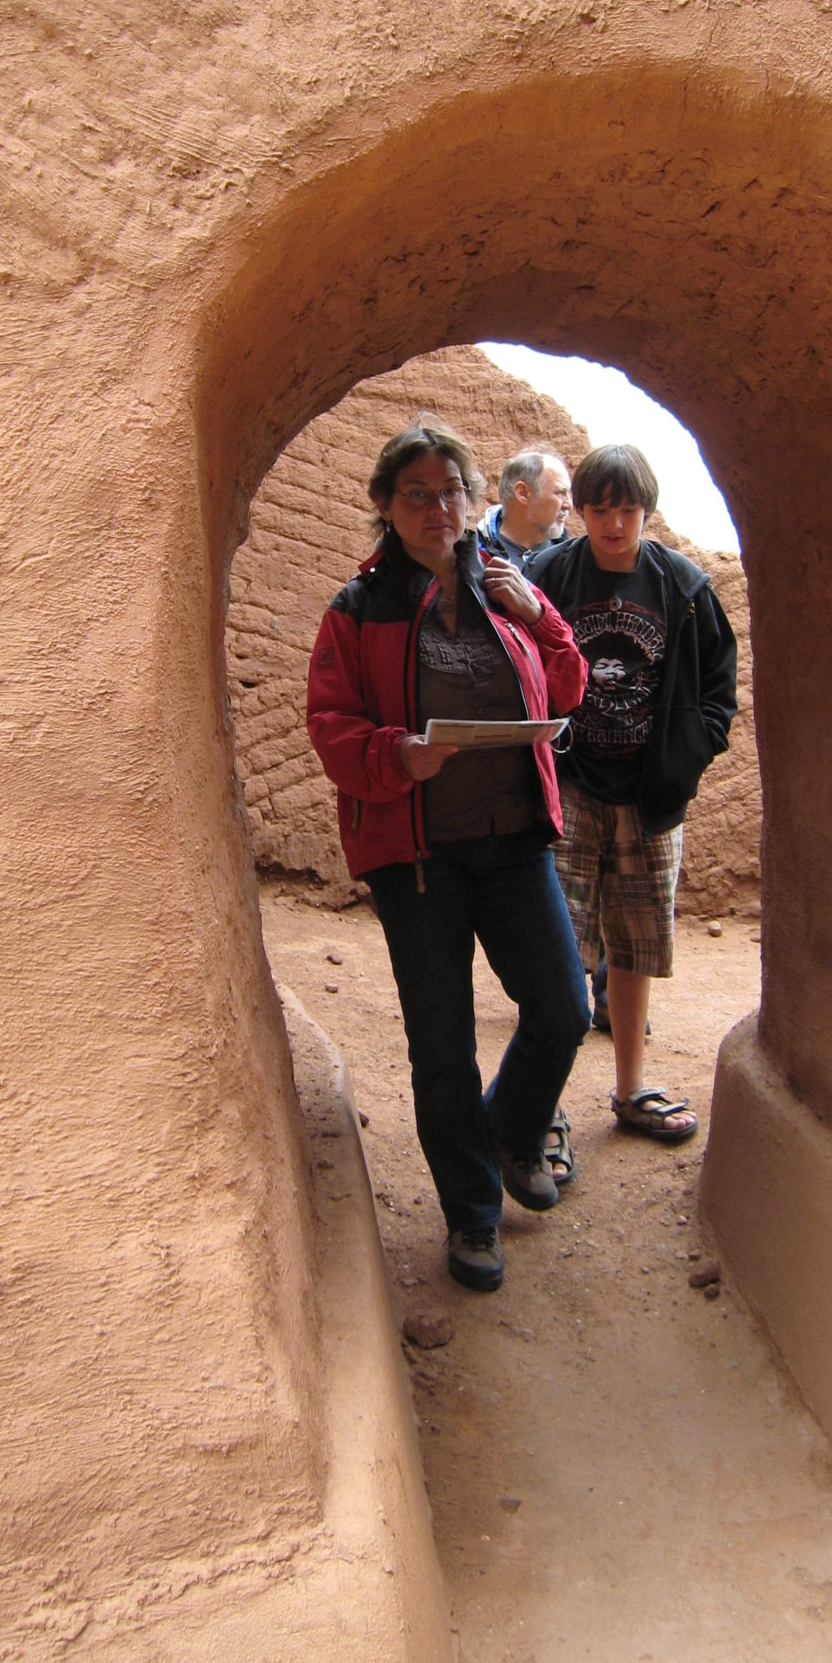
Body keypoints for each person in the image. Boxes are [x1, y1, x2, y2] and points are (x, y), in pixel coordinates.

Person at [306, 419, 590, 1293]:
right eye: (418, 493)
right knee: (442, 1044)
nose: (439, 507)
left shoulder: (508, 587)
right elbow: (331, 725)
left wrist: (539, 617)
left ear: (475, 500)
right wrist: (399, 754)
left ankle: (510, 1129)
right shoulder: (358, 610)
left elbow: (569, 685)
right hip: (418, 857)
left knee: (563, 1006)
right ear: (386, 507)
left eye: (452, 490)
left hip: (511, 841)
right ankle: (471, 1214)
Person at [530, 443, 738, 1165]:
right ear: (578, 510)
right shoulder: (551, 573)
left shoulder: (682, 587)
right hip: (572, 788)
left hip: (650, 797)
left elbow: (718, 689)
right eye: (599, 508)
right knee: (561, 947)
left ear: (645, 509)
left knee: (634, 945)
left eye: (628, 508)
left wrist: (687, 756)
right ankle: (544, 1108)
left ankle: (628, 1090)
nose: (614, 522)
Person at [476, 447, 573, 567]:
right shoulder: (474, 556)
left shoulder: (572, 560)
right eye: (560, 493)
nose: (569, 505)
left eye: (569, 493)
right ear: (522, 493)